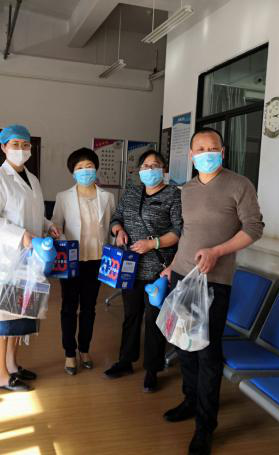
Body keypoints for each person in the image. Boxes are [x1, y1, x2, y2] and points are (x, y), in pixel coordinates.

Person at [160, 127, 264, 455]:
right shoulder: (186, 190)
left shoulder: (239, 185)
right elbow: (187, 233)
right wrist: (172, 265)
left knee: (207, 351)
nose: (207, 153)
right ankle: (190, 401)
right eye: (201, 149)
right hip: (181, 275)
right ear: (191, 155)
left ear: (223, 151)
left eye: (213, 148)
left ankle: (205, 426)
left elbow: (254, 228)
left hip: (215, 280)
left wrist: (218, 251)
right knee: (183, 344)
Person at [0, 124, 60, 391]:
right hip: (8, 260)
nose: (21, 149)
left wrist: (48, 225)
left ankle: (12, 366)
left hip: (30, 260)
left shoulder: (32, 179)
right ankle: (0, 374)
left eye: (25, 145)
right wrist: (22, 235)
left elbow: (33, 213)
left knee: (20, 316)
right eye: (15, 144)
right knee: (2, 319)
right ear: (3, 147)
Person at [104, 150, 182, 393]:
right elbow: (116, 218)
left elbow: (179, 231)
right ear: (139, 170)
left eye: (155, 165)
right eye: (146, 166)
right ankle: (125, 361)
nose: (150, 169)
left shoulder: (173, 194)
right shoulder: (131, 192)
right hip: (129, 268)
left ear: (164, 169)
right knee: (131, 315)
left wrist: (153, 243)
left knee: (154, 318)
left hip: (158, 269)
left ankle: (152, 369)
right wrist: (118, 231)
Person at [52, 148, 116, 375]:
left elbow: (113, 225)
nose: (85, 170)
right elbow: (55, 224)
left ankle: (85, 349)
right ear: (73, 172)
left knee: (89, 308)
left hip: (96, 260)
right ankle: (70, 352)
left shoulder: (107, 197)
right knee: (69, 307)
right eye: (80, 167)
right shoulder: (63, 197)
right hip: (71, 260)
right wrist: (56, 233)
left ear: (96, 168)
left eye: (89, 166)